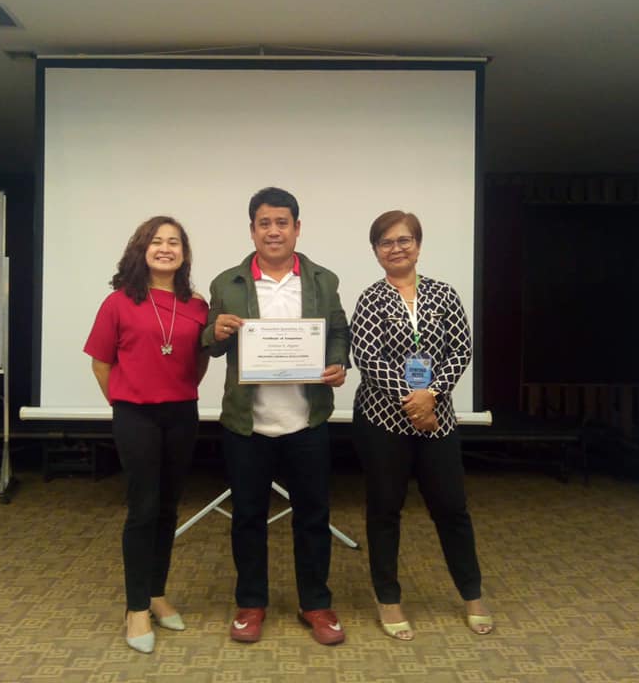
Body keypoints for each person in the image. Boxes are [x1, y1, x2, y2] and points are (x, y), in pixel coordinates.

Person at [202, 186, 350, 645]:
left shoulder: (323, 280)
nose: (273, 231)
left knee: (313, 516)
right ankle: (251, 603)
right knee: (247, 517)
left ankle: (316, 603)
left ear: (297, 228)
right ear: (252, 230)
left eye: (282, 222)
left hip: (307, 420)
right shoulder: (227, 283)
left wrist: (338, 363)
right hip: (247, 424)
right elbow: (209, 343)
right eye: (264, 223)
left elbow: (338, 332)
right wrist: (215, 331)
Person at [349, 210, 493, 641]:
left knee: (451, 508)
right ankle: (388, 597)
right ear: (376, 251)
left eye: (404, 240)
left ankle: (472, 594)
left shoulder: (444, 294)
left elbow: (461, 350)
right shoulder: (371, 299)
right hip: (382, 421)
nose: (396, 248)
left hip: (438, 420)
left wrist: (431, 395)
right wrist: (414, 402)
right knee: (384, 509)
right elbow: (368, 359)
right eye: (386, 242)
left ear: (417, 245)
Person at [84, 215, 209, 654]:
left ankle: (156, 593)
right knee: (143, 509)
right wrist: (125, 401)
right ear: (141, 249)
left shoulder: (197, 305)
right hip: (135, 415)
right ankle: (135, 607)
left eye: (174, 242)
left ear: (184, 254)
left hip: (182, 414)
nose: (166, 248)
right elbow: (101, 363)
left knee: (169, 508)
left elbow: (198, 361)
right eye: (157, 241)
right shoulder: (117, 302)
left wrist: (176, 391)